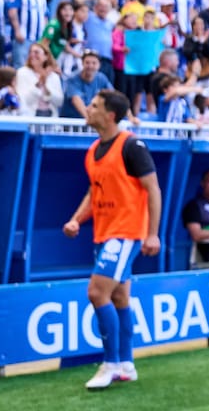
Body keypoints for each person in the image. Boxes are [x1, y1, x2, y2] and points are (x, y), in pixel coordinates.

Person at [63, 89, 162, 390]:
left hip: (126, 232)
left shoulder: (132, 146)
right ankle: (126, 364)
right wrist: (77, 219)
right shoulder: (93, 150)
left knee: (96, 292)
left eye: (94, 106)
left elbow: (153, 189)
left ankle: (110, 363)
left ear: (109, 116)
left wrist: (153, 233)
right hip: (104, 233)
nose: (88, 110)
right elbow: (95, 192)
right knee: (119, 297)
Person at [61, 49, 113, 119]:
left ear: (99, 65)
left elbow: (114, 96)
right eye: (87, 63)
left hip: (90, 121)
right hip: (72, 122)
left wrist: (129, 115)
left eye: (94, 63)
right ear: (82, 63)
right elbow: (76, 100)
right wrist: (90, 120)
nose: (90, 66)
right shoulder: (73, 79)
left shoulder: (101, 78)